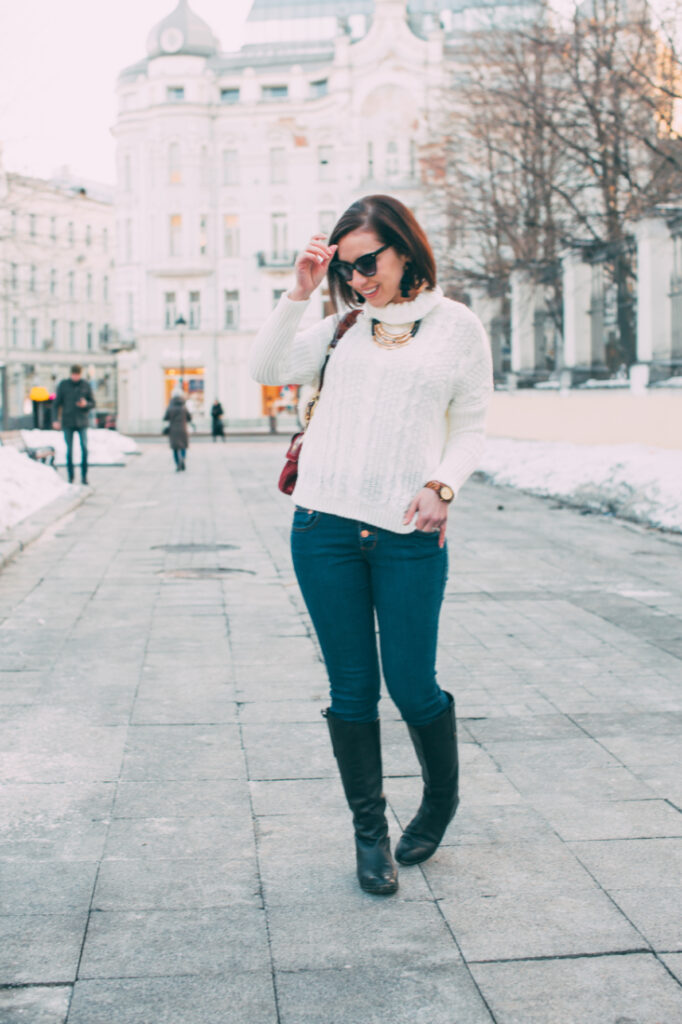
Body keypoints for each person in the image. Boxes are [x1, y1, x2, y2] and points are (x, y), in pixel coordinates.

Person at [249, 195, 493, 896]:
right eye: (346, 268)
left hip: (408, 529)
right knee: (351, 690)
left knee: (413, 686)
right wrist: (299, 290)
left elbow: (471, 425)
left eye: (369, 263)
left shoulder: (456, 328)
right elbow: (266, 370)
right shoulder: (341, 326)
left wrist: (443, 485)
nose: (358, 279)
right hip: (323, 526)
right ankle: (369, 835)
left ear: (405, 248)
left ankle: (440, 801)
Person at [52, 365, 95, 485]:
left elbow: (93, 403)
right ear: (71, 374)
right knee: (69, 450)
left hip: (82, 421)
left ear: (80, 374)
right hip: (68, 421)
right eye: (74, 374)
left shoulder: (85, 385)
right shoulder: (64, 385)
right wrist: (55, 419)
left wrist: (86, 404)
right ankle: (71, 477)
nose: (75, 377)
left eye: (78, 375)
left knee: (84, 449)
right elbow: (56, 404)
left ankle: (84, 476)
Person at [164, 389, 191, 471]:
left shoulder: (170, 407)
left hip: (173, 430)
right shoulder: (184, 407)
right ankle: (182, 458)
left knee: (175, 447)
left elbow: (165, 418)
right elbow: (189, 418)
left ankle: (177, 463)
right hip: (183, 429)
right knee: (183, 446)